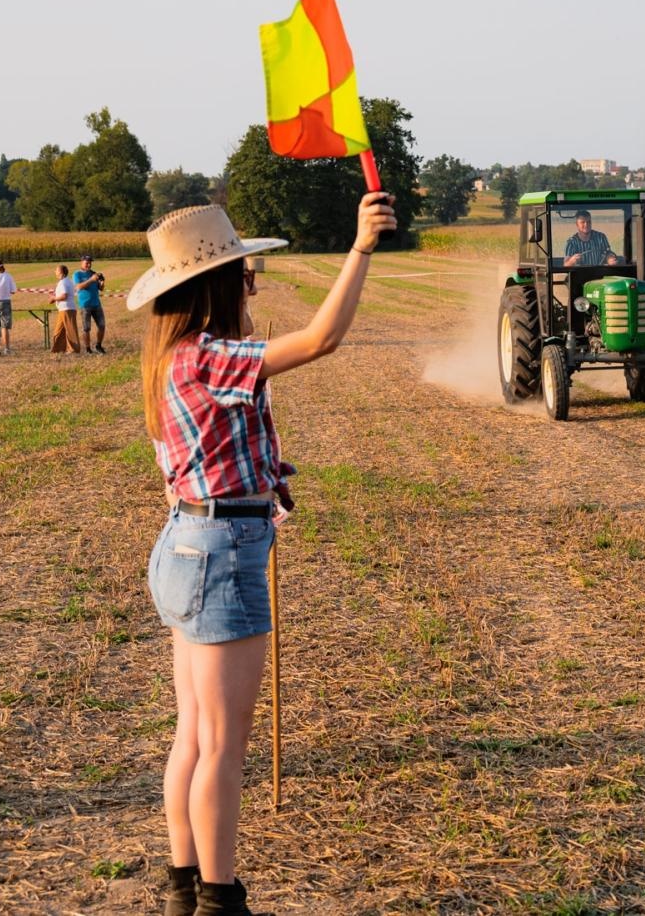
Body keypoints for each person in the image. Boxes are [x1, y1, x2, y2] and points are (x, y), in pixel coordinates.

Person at [133, 195, 394, 916]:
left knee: (194, 732)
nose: (253, 282)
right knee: (222, 745)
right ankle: (221, 899)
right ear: (214, 285)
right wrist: (362, 248)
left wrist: (263, 485)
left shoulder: (171, 360)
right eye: (244, 273)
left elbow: (204, 457)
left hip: (187, 544)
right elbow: (319, 340)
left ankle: (183, 888)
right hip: (218, 554)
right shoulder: (210, 357)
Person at [74, 254, 107, 354]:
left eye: (90, 263)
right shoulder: (77, 274)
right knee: (86, 328)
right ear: (81, 262)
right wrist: (91, 279)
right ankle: (88, 349)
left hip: (96, 304)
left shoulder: (94, 273)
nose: (89, 264)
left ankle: (98, 345)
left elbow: (100, 288)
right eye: (87, 263)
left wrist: (102, 282)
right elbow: (79, 287)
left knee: (102, 326)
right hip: (85, 305)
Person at [50, 264, 82, 354]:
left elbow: (64, 295)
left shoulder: (63, 282)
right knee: (58, 330)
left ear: (60, 272)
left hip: (67, 309)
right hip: (63, 309)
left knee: (71, 330)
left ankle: (74, 349)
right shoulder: (68, 281)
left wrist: (53, 298)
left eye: (56, 270)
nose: (55, 272)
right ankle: (58, 349)